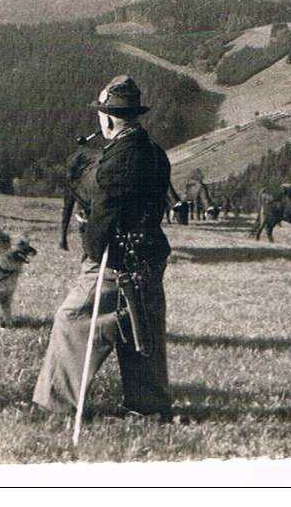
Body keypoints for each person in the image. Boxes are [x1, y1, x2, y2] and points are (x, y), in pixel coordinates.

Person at [32, 75, 175, 421]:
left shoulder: (119, 158)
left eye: (101, 113)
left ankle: (55, 407)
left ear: (108, 118)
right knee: (139, 325)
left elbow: (105, 215)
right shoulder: (154, 152)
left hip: (116, 260)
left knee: (72, 319)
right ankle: (149, 407)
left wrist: (90, 244)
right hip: (149, 256)